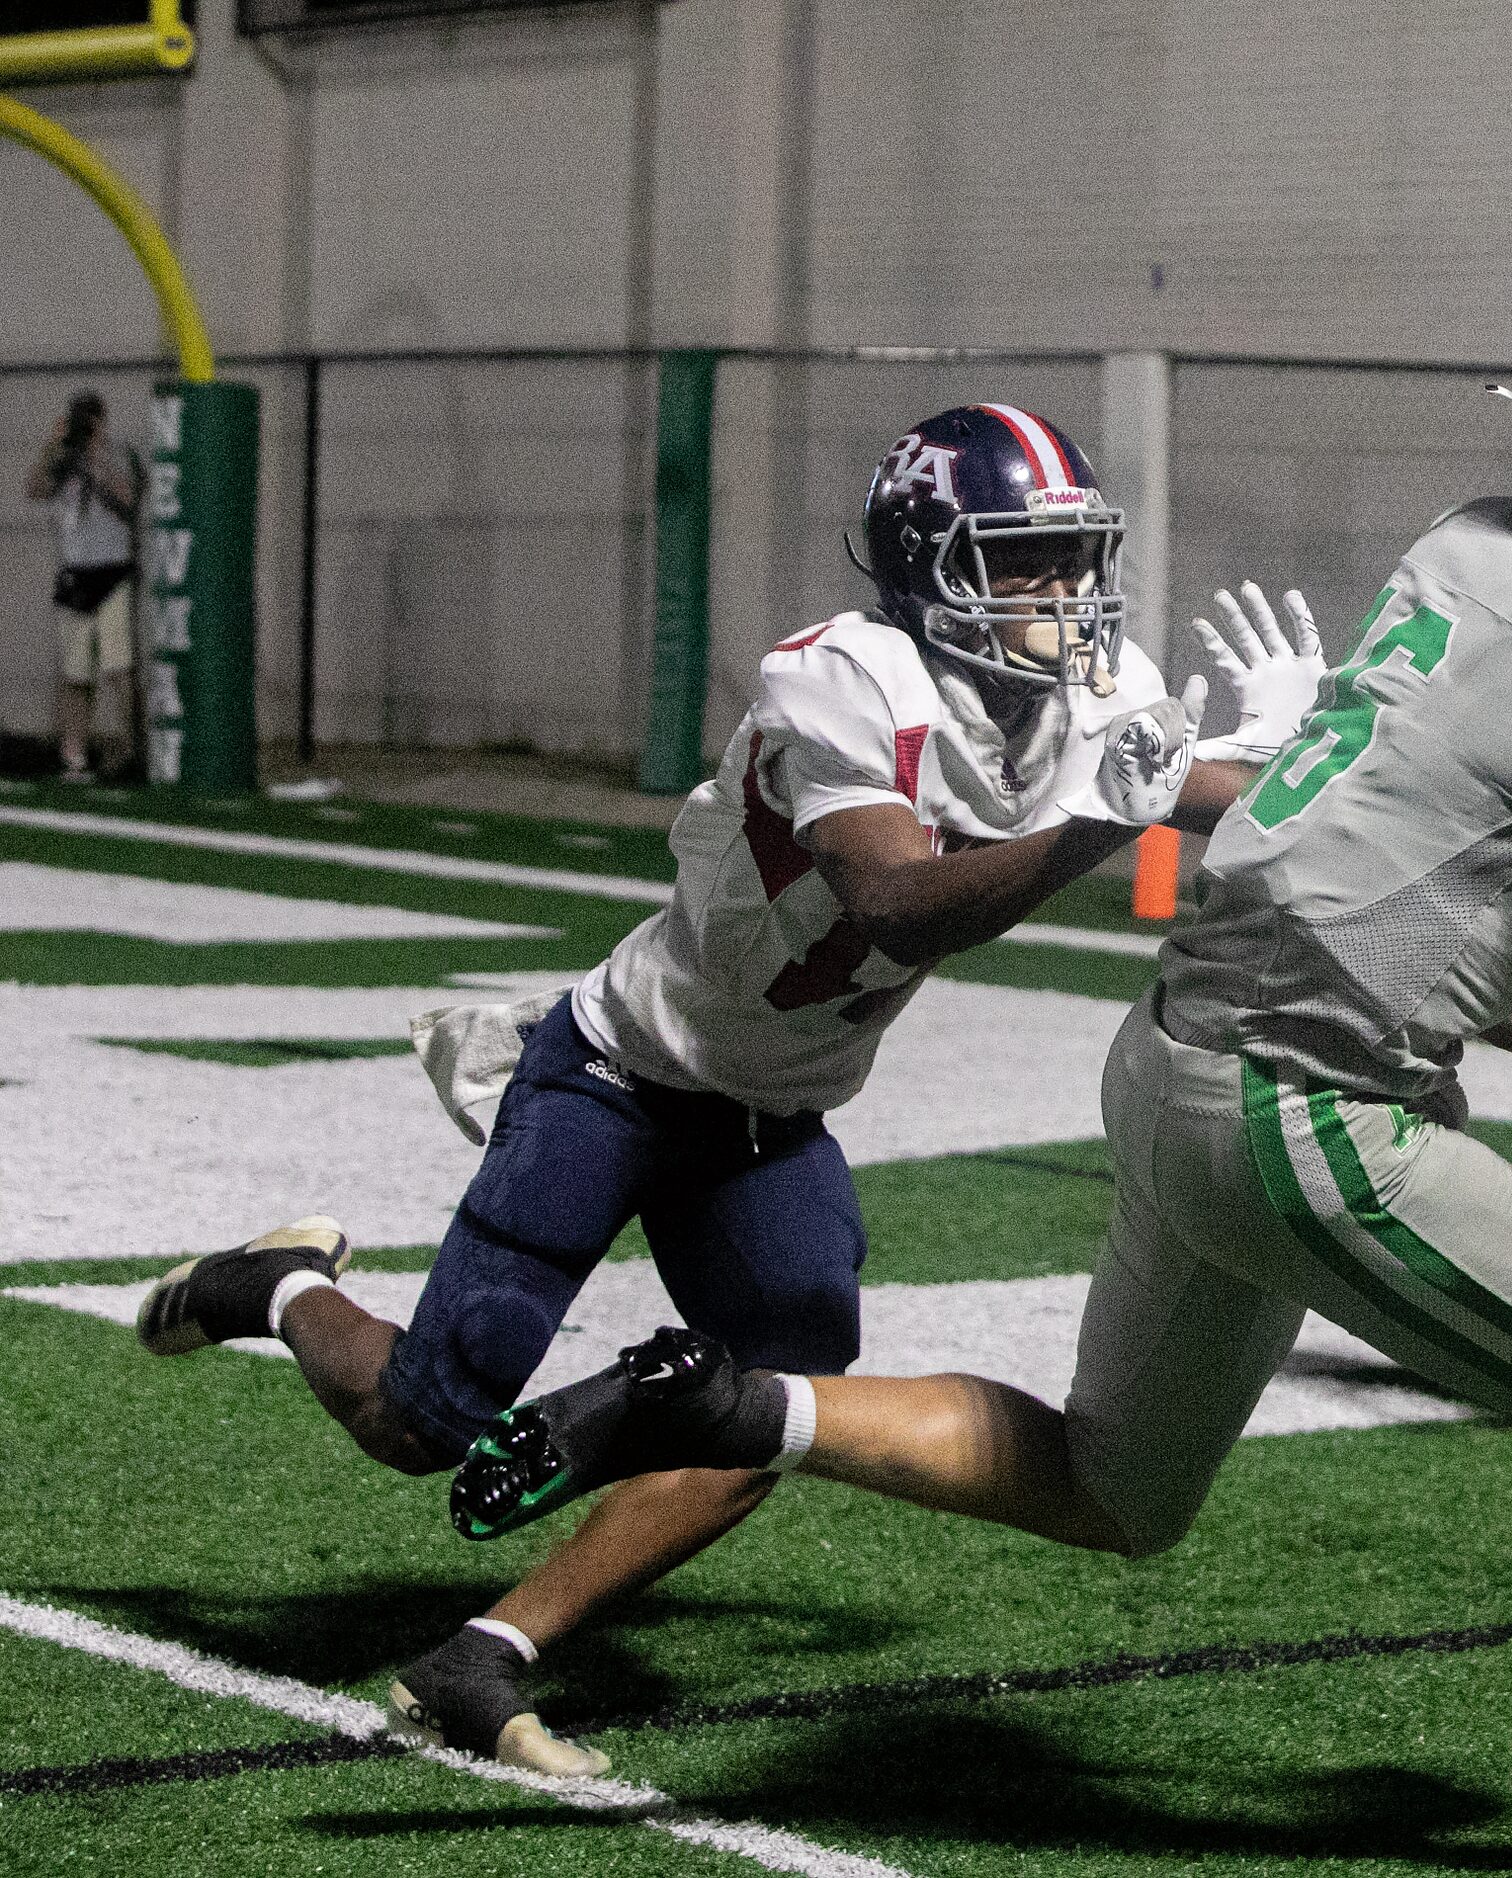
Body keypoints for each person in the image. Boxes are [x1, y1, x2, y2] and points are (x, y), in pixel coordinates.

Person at [457, 235, 1512, 1878]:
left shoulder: (1472, 541)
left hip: (1175, 1054)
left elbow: (1391, 861)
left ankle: (734, 1400)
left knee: (1116, 1486)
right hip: (1312, 1101)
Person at [133, 404, 1321, 1775]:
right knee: (427, 1423)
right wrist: (1111, 810)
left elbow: (1214, 790)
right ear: (928, 564)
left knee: (772, 1403)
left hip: (770, 1120)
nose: (1064, 591)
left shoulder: (1085, 691)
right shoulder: (837, 677)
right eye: (1025, 559)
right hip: (619, 1077)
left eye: (1072, 556)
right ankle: (267, 1284)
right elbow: (898, 905)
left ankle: (488, 1653)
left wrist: (1311, 749)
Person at [25, 390, 141, 781]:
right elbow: (35, 489)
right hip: (76, 573)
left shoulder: (117, 453)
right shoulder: (63, 460)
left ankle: (134, 750)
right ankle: (72, 754)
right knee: (74, 672)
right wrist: (51, 448)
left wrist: (95, 458)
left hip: (111, 572)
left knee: (118, 666)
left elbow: (129, 499)